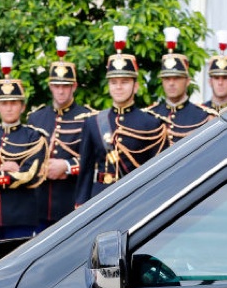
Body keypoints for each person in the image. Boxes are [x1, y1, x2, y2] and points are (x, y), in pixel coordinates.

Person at [75, 26, 168, 207]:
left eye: (124, 82)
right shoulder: (93, 122)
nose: (118, 87)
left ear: (135, 86)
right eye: (114, 82)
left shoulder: (151, 123)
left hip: (136, 199)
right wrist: (80, 204)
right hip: (99, 197)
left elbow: (159, 171)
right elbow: (86, 170)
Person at [0, 53, 48, 243]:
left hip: (21, 216)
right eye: (4, 103)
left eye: (13, 103)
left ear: (22, 107)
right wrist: (2, 170)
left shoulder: (34, 136)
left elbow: (30, 174)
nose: (9, 108)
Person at [27, 36, 95, 228]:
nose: (61, 91)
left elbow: (95, 161)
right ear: (50, 86)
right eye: (57, 86)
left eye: (66, 86)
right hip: (39, 205)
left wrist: (67, 166)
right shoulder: (36, 118)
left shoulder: (88, 118)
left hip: (71, 202)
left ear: (74, 86)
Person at [148, 27, 216, 148]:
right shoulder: (150, 115)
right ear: (162, 81)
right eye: (167, 79)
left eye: (177, 78)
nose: (171, 83)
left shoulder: (204, 117)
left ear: (187, 81)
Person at [203, 30, 227, 112]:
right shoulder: (200, 112)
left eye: (225, 78)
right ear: (210, 82)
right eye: (216, 78)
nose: (220, 82)